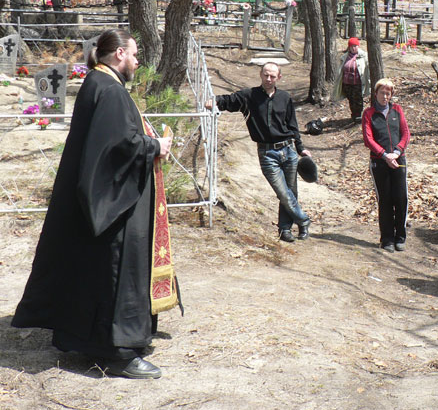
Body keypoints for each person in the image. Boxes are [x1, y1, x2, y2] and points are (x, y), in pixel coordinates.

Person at [12, 29, 174, 379]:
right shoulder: (111, 90)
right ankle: (118, 354)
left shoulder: (96, 83)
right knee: (116, 274)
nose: (136, 61)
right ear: (118, 55)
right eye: (133, 54)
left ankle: (87, 342)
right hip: (113, 208)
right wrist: (155, 147)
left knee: (93, 274)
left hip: (96, 201)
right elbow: (119, 147)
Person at [207, 62, 312, 243]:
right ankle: (303, 220)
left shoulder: (285, 98)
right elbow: (229, 100)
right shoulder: (249, 96)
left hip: (289, 151)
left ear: (279, 77)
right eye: (266, 75)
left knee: (291, 192)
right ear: (260, 75)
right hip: (267, 154)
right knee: (283, 193)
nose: (268, 79)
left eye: (272, 76)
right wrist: (214, 101)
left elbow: (293, 126)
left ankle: (285, 229)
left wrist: (301, 149)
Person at [362, 78, 410, 252]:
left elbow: (405, 133)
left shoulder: (397, 110)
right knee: (386, 200)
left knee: (401, 198)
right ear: (376, 94)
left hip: (399, 160)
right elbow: (368, 139)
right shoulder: (369, 113)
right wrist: (384, 155)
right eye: (382, 92)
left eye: (388, 93)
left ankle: (400, 236)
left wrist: (396, 152)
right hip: (379, 162)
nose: (385, 96)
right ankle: (387, 238)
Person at [332, 36, 370, 121]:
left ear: (358, 46)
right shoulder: (345, 57)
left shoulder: (363, 56)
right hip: (347, 83)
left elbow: (368, 68)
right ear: (349, 47)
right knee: (351, 99)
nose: (353, 48)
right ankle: (354, 114)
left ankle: (359, 115)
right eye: (351, 46)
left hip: (357, 82)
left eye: (355, 46)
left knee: (358, 99)